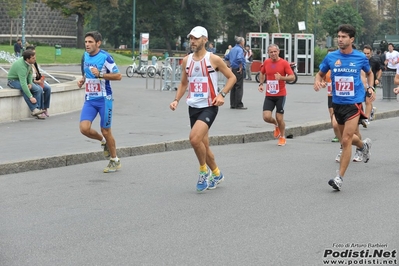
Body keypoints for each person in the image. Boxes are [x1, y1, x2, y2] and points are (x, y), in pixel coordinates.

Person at [169, 26, 236, 192]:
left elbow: (232, 77)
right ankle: (217, 173)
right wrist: (176, 99)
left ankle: (203, 171)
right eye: (191, 38)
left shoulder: (213, 59)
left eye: (196, 38)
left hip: (209, 106)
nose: (193, 41)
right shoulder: (187, 60)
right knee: (203, 145)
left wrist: (222, 94)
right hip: (193, 106)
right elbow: (184, 83)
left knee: (194, 139)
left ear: (205, 40)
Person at [314, 24, 374, 191]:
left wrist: (370, 88)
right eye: (338, 36)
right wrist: (317, 81)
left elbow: (369, 73)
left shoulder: (360, 57)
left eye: (343, 37)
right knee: (343, 137)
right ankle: (363, 146)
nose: (340, 39)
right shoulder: (331, 57)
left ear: (351, 39)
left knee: (346, 140)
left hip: (354, 103)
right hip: (337, 103)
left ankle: (339, 178)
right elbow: (319, 73)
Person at [77, 31, 122, 173]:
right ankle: (103, 141)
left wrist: (101, 74)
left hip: (104, 99)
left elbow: (118, 75)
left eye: (90, 42)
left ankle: (114, 160)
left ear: (98, 43)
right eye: (85, 42)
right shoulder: (84, 56)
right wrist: (83, 80)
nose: (87, 45)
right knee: (84, 128)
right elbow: (86, 72)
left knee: (106, 130)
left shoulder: (105, 57)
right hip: (90, 100)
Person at [258, 44, 295, 146]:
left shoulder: (284, 63)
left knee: (280, 118)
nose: (273, 54)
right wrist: (261, 84)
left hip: (280, 94)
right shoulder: (266, 62)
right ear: (268, 53)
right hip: (269, 94)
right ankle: (276, 125)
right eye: (271, 52)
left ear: (278, 52)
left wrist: (282, 78)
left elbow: (292, 77)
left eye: (275, 51)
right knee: (266, 117)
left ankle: (282, 137)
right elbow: (262, 73)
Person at [7, 50, 45, 119]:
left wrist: (30, 83)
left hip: (22, 80)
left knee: (38, 89)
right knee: (24, 89)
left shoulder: (29, 63)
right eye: (33, 58)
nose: (35, 59)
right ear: (27, 59)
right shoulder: (21, 66)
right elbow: (23, 83)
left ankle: (38, 110)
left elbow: (30, 74)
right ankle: (34, 109)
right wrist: (31, 97)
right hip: (13, 81)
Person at [25, 46, 51, 118]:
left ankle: (45, 108)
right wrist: (37, 81)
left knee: (48, 88)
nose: (35, 56)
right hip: (32, 82)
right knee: (39, 89)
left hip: (36, 81)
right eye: (33, 54)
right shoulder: (27, 63)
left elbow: (37, 73)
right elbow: (27, 78)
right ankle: (39, 109)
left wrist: (41, 79)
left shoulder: (34, 62)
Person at [322, 47, 340, 143]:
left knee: (339, 115)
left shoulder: (340, 66)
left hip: (340, 95)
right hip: (330, 95)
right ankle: (337, 134)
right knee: (332, 115)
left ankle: (343, 131)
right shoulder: (327, 69)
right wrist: (323, 83)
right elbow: (323, 79)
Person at [224, 36, 247, 109]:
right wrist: (240, 67)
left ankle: (233, 104)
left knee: (233, 86)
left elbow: (226, 57)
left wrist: (229, 65)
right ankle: (238, 104)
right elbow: (239, 58)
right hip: (238, 68)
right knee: (239, 86)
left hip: (232, 68)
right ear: (242, 42)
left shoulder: (232, 49)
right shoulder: (240, 49)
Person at [362, 45, 381, 126]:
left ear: (371, 52)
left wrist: (378, 79)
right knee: (365, 100)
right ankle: (372, 109)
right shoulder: (360, 60)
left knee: (367, 101)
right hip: (362, 83)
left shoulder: (375, 61)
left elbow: (380, 70)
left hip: (371, 83)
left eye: (368, 53)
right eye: (364, 53)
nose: (366, 55)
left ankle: (366, 118)